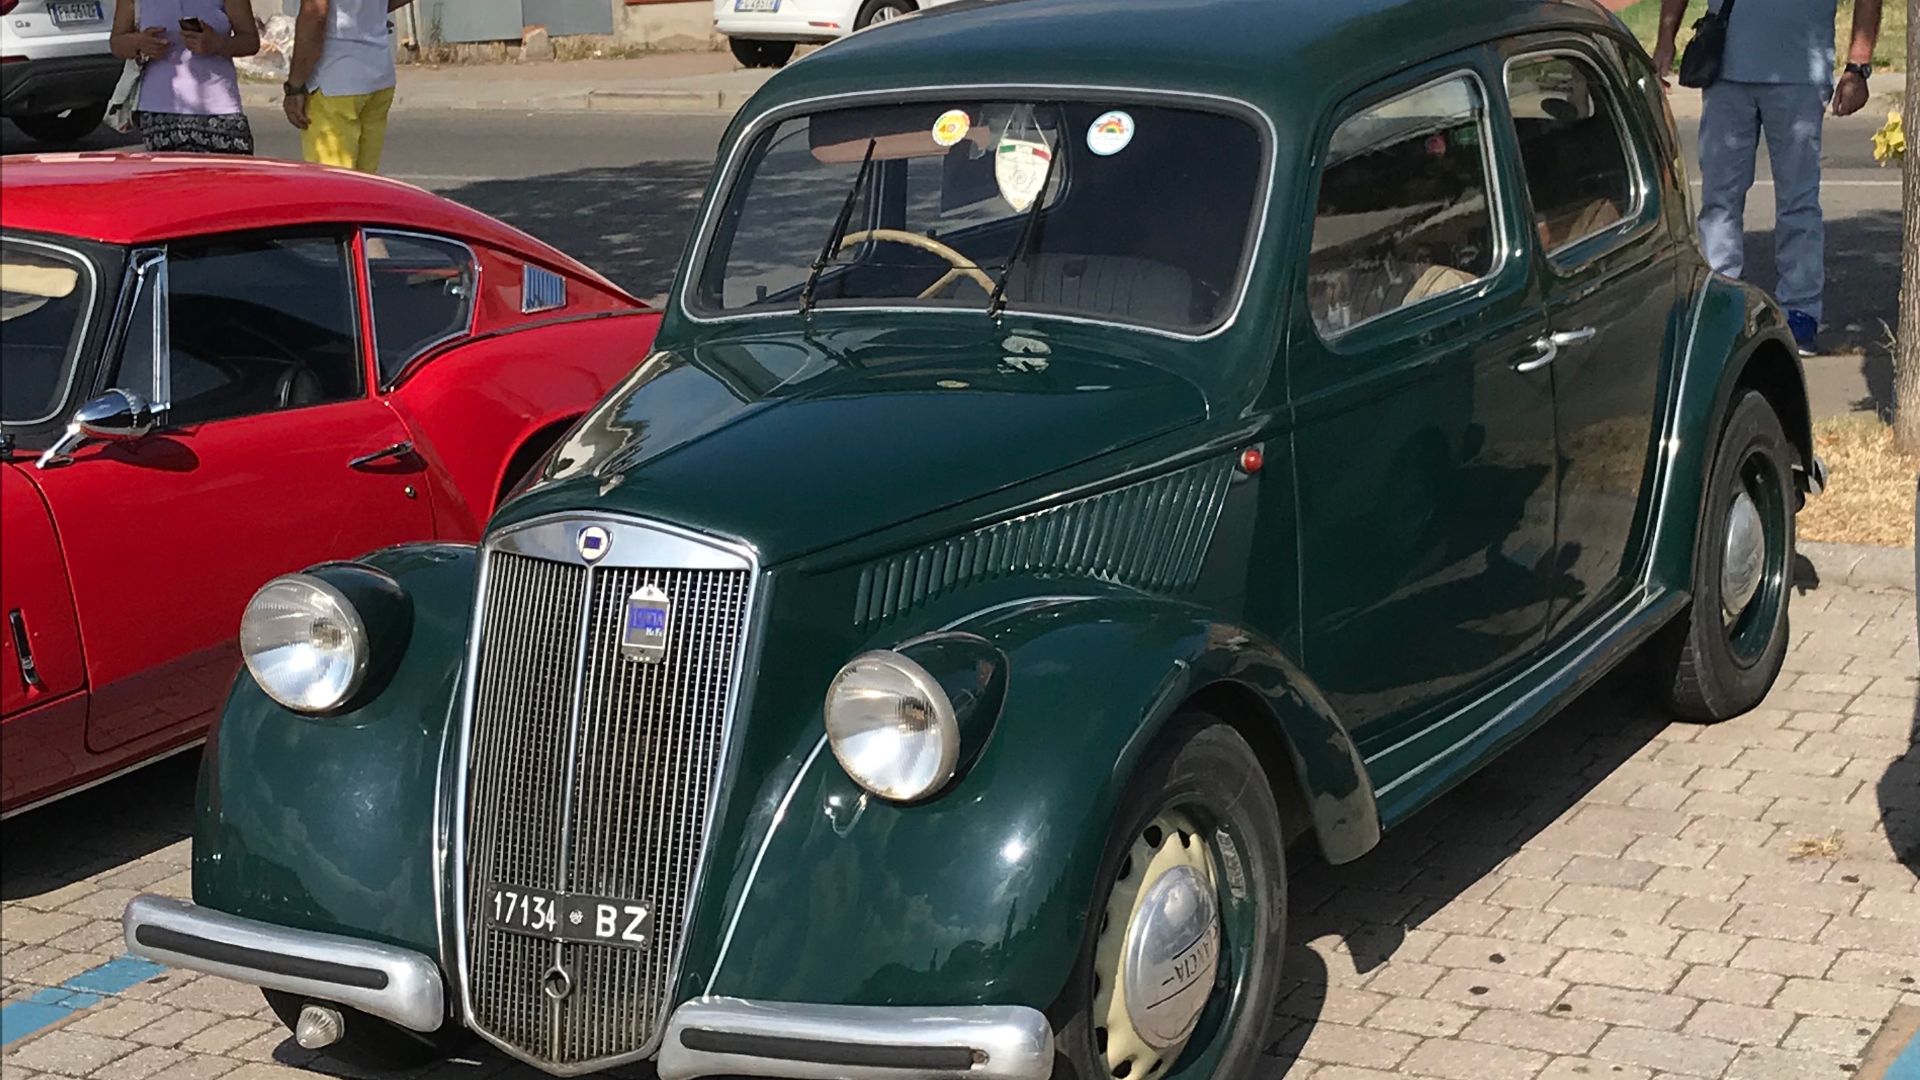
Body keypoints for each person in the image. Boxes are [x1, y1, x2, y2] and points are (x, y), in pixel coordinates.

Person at [1652, 0, 1883, 356]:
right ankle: (1719, 307)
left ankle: (1801, 311)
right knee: (1719, 201)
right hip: (1727, 71)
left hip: (1799, 73)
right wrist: (1665, 38)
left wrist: (1858, 65)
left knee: (1798, 201)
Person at [110, 0, 259, 154]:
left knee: (230, 176)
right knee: (169, 177)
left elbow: (251, 41)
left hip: (220, 108)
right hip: (158, 111)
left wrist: (218, 44)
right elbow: (117, 43)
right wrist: (140, 43)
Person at [281, 0, 406, 173]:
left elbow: (315, 15)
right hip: (378, 71)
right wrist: (371, 14)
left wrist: (294, 85)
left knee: (334, 185)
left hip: (334, 79)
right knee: (366, 182)